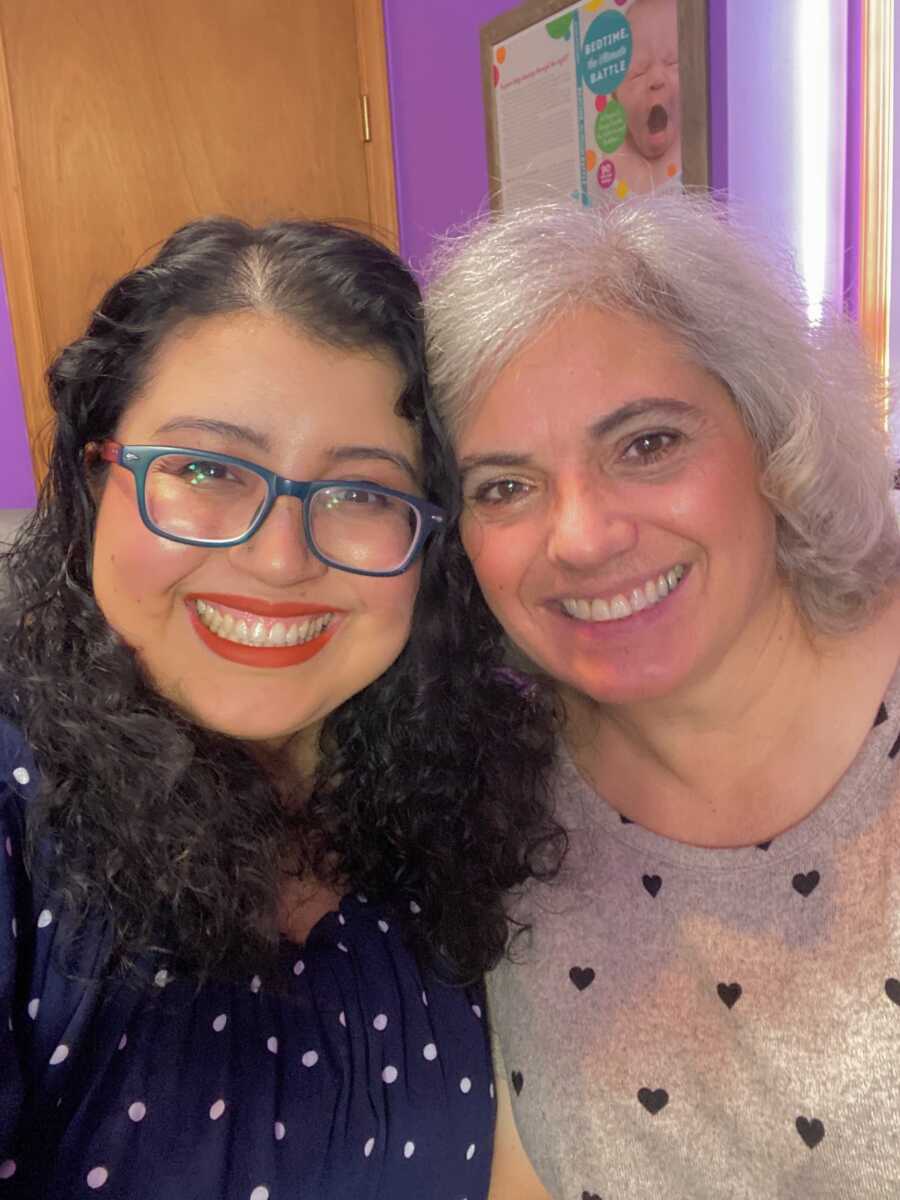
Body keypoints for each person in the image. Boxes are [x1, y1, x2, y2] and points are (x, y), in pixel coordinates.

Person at [0, 217, 560, 1198]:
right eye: (207, 472)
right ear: (100, 479)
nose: (279, 560)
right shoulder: (19, 812)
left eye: (359, 492)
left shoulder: (478, 793)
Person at [425, 195, 900, 1200]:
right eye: (504, 487)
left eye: (647, 444)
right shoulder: (490, 790)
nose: (584, 536)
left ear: (773, 439)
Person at [613, 0, 681, 195]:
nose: (656, 79)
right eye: (638, 71)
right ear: (615, 95)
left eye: (672, 62)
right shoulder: (611, 164)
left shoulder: (696, 146)